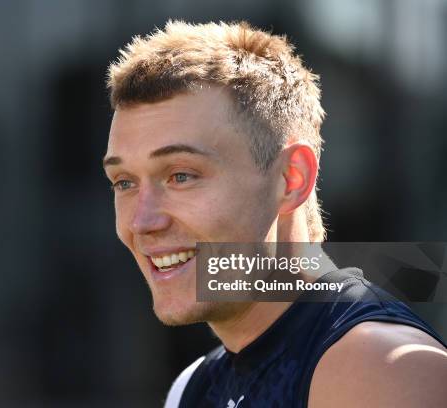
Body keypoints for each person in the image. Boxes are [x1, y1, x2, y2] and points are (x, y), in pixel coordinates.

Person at [102, 20, 447, 407]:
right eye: (124, 182)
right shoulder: (192, 388)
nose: (142, 221)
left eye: (181, 175)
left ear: (291, 178)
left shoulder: (381, 369)